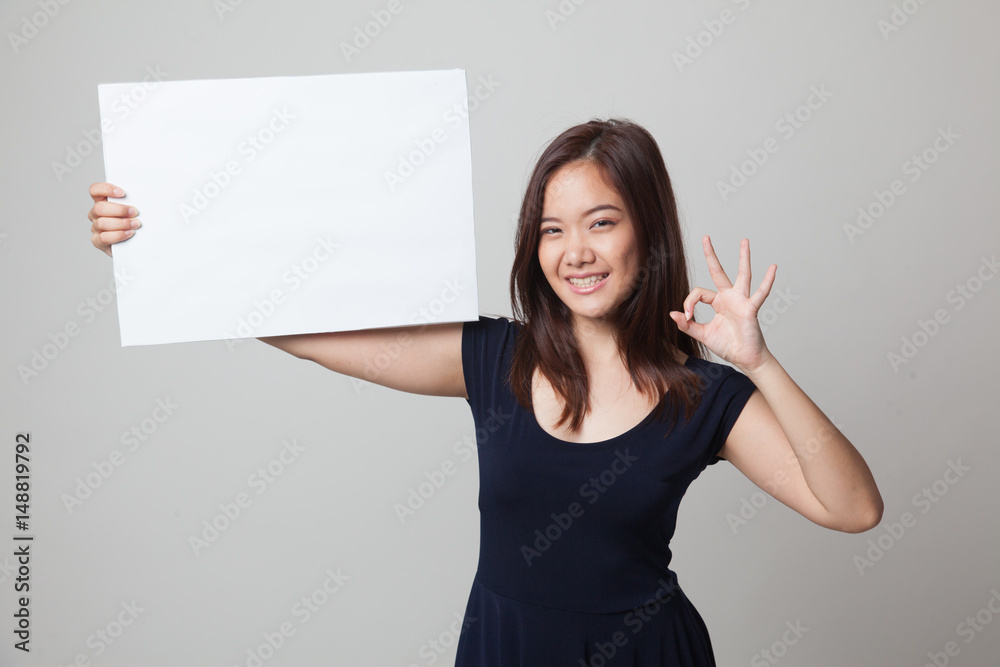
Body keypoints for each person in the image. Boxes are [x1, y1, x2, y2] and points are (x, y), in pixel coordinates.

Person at [87, 117, 883, 666]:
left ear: (648, 229)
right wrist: (158, 247)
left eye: (601, 222)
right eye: (551, 228)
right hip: (504, 646)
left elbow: (853, 508)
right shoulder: (494, 356)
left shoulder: (699, 396)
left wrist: (760, 362)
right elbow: (311, 335)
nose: (575, 250)